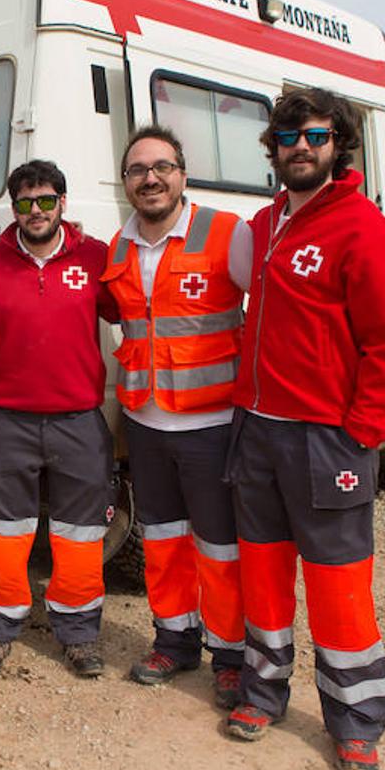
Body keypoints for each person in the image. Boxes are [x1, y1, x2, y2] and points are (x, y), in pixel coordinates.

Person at [223, 87, 385, 770]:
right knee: (265, 575)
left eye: (313, 135)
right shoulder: (266, 221)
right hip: (257, 432)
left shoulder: (362, 228)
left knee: (338, 588)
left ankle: (357, 724)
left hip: (325, 439)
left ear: (338, 144)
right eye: (286, 136)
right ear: (271, 146)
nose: (299, 147)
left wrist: (362, 434)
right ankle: (262, 693)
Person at [100, 126, 251, 708]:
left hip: (212, 425)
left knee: (220, 546)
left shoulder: (226, 234)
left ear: (182, 174)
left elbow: (264, 308)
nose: (151, 178)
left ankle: (232, 654)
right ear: (127, 182)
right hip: (147, 421)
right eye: (138, 170)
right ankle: (175, 639)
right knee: (161, 541)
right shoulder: (119, 246)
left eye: (162, 166)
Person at [0, 160, 118, 678]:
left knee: (80, 534)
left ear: (63, 204)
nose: (36, 211)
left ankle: (79, 634)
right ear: (14, 208)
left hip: (79, 419)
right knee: (3, 530)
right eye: (25, 203)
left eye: (46, 200)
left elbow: (132, 304)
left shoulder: (95, 257)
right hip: (8, 421)